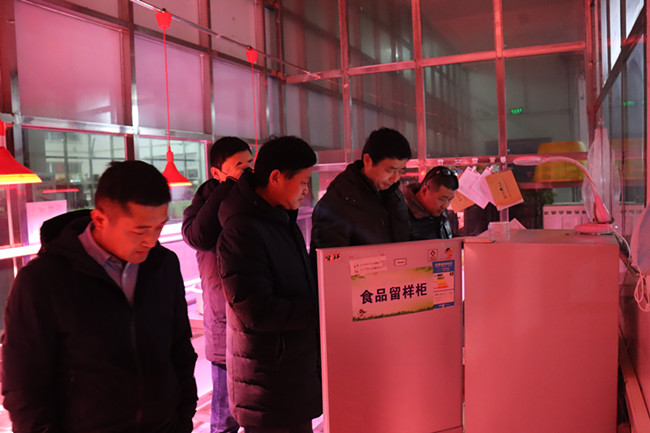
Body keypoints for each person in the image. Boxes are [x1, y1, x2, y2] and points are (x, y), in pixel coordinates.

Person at [2, 161, 198, 433]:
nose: (151, 241)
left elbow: (179, 346)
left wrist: (184, 416)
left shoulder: (163, 264)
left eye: (159, 227)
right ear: (99, 220)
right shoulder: (43, 279)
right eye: (140, 230)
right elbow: (24, 384)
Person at [217, 136, 322, 433]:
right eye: (302, 182)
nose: (306, 190)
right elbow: (256, 311)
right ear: (276, 177)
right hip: (266, 382)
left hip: (289, 375)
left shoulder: (280, 220)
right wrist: (320, 308)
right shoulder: (242, 231)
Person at [182, 137, 252, 433]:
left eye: (250, 163)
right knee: (225, 414)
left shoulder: (251, 199)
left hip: (250, 314)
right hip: (223, 316)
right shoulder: (203, 205)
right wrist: (228, 187)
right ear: (216, 172)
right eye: (239, 165)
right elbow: (198, 236)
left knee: (252, 407)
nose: (247, 170)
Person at [311, 127, 412, 249]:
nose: (395, 179)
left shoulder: (395, 195)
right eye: (389, 170)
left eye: (401, 171)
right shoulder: (338, 203)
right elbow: (330, 258)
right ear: (367, 160)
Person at [403, 165, 458, 240]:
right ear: (424, 191)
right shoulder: (402, 217)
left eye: (450, 200)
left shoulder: (440, 211)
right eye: (442, 199)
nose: (445, 206)